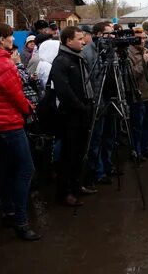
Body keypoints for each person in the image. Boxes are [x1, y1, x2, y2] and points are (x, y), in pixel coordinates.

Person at [0, 23, 40, 241]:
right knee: (25, 170)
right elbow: (16, 95)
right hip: (9, 122)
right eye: (10, 37)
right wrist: (28, 108)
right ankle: (21, 221)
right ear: (1, 39)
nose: (13, 40)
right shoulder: (2, 64)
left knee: (6, 170)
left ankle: (9, 212)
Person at [49, 26, 93, 206]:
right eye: (79, 38)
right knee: (68, 154)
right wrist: (79, 105)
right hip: (71, 115)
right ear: (68, 41)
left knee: (80, 152)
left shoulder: (78, 58)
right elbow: (63, 89)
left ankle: (77, 185)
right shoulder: (62, 61)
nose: (83, 41)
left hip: (84, 112)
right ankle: (64, 192)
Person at [82, 21, 118, 186]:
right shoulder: (87, 52)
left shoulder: (112, 51)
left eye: (112, 33)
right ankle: (97, 172)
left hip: (111, 98)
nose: (111, 36)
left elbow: (117, 74)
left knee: (109, 137)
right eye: (107, 33)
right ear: (97, 34)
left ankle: (108, 166)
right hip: (97, 101)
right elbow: (86, 80)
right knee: (96, 139)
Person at [127, 28, 148, 162]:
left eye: (145, 38)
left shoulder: (147, 51)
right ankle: (137, 151)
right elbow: (131, 75)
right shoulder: (128, 54)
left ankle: (147, 147)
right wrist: (144, 61)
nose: (143, 41)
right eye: (140, 38)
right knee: (137, 126)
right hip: (137, 96)